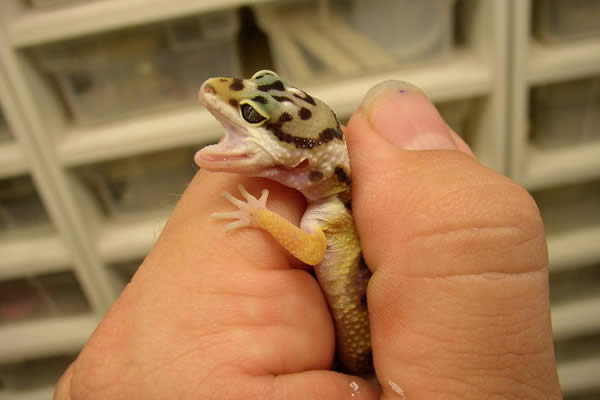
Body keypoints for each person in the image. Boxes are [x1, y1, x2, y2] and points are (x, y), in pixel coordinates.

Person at [55, 82, 562, 399]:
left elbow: (312, 250)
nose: (218, 92)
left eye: (252, 115)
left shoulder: (332, 218)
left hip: (359, 359)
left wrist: (261, 216)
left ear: (300, 161)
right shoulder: (330, 205)